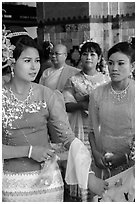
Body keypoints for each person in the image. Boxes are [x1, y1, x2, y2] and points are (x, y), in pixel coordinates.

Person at [2, 26, 108, 202]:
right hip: (12, 182)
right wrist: (29, 151)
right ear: (12, 62)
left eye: (37, 60)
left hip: (48, 180)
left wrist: (88, 177)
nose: (34, 66)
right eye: (27, 60)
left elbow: (67, 138)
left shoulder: (47, 94)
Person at [62, 41, 110, 200]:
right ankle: (82, 197)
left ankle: (102, 195)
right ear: (80, 57)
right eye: (85, 54)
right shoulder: (73, 80)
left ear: (99, 58)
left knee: (101, 160)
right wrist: (84, 103)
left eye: (92, 54)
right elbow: (66, 105)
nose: (88, 57)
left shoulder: (106, 80)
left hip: (102, 127)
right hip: (80, 127)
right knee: (83, 159)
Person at [88, 41, 135, 201]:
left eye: (121, 63)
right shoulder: (97, 93)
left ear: (132, 66)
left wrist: (125, 157)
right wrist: (96, 154)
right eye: (111, 63)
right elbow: (92, 130)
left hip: (132, 164)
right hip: (104, 162)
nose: (114, 69)